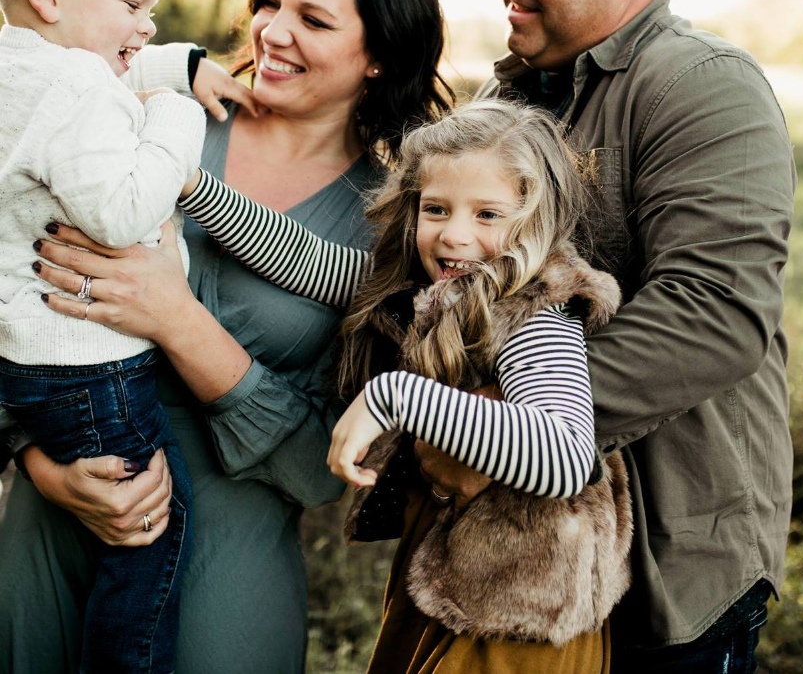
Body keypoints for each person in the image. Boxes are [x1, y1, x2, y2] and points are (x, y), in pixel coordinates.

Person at [0, 0, 454, 674]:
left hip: (225, 566)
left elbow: (322, 463)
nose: (273, 31)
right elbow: (9, 277)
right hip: (56, 518)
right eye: (271, 2)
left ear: (377, 57)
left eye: (312, 19)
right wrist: (41, 465)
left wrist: (179, 322)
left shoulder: (394, 224)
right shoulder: (147, 114)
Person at [455, 0, 792, 673]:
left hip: (666, 566)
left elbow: (713, 316)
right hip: (528, 562)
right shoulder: (510, 93)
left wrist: (497, 436)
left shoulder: (703, 85)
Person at [153, 98, 634, 673]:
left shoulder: (536, 313)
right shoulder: (422, 290)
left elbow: (566, 456)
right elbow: (301, 257)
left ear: (537, 218)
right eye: (436, 209)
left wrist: (396, 398)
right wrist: (189, 182)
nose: (455, 236)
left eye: (488, 215)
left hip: (521, 619)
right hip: (452, 573)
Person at [0, 0, 206, 674]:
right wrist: (176, 117)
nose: (145, 25)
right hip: (91, 366)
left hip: (23, 361)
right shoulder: (78, 87)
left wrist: (171, 65)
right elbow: (123, 211)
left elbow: (106, 77)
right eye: (132, 6)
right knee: (154, 531)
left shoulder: (20, 69)